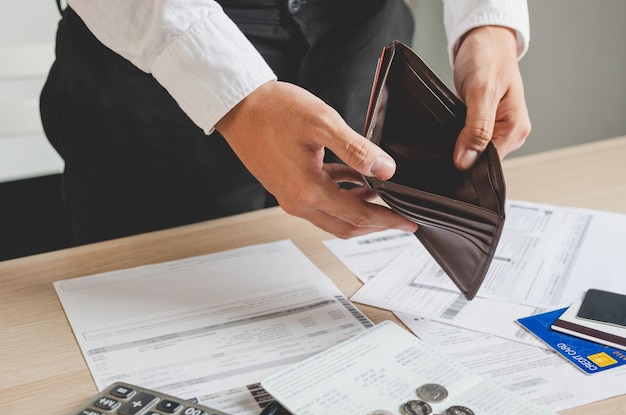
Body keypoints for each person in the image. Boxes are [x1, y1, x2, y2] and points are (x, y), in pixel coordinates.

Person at [40, 0, 530, 245]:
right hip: (158, 40)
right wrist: (234, 95)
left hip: (363, 36)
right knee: (156, 287)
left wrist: (489, 22)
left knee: (345, 275)